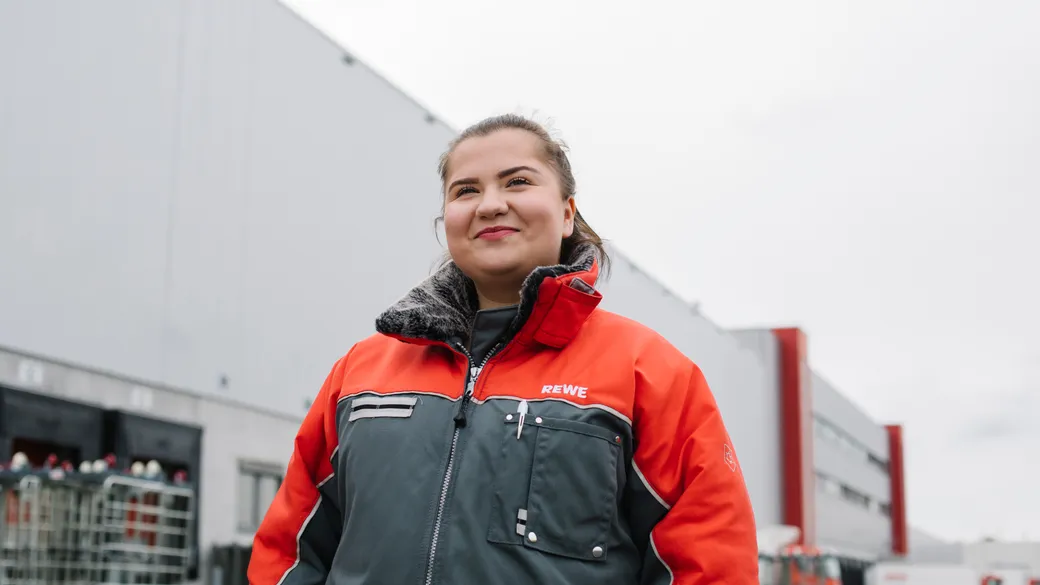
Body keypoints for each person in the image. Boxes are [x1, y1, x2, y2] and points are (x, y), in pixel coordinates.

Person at [248, 114, 759, 584]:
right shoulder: (360, 373)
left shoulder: (649, 372)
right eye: (465, 190)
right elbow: (289, 552)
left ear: (566, 213)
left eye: (517, 181)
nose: (490, 203)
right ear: (445, 221)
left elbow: (710, 564)